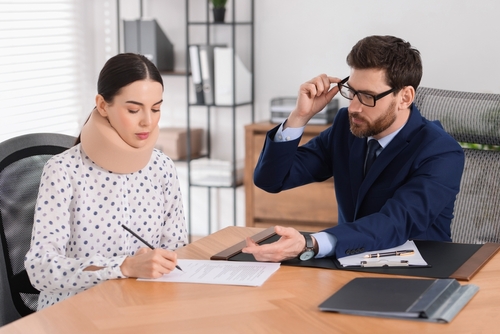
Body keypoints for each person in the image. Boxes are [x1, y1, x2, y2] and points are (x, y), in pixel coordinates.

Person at [242, 35, 465, 262]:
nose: (354, 107)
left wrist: (312, 242)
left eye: (368, 96)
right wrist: (299, 117)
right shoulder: (346, 127)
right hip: (348, 264)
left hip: (416, 277)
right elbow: (271, 180)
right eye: (352, 92)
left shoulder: (441, 152)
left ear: (405, 97)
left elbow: (394, 222)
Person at [25, 53, 188, 310]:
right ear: (102, 105)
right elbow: (40, 269)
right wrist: (122, 266)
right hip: (74, 313)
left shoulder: (162, 167)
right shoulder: (62, 170)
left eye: (156, 108)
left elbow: (177, 252)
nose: (148, 120)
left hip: (143, 307)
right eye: (133, 109)